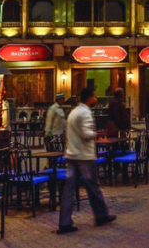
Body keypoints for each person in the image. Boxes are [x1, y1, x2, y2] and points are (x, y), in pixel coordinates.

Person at [57, 87, 116, 234]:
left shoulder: (74, 112)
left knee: (69, 189)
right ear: (89, 98)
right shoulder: (85, 113)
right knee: (93, 186)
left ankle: (64, 222)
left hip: (71, 155)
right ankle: (101, 215)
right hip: (84, 156)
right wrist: (99, 134)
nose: (96, 99)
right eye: (94, 96)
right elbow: (85, 133)